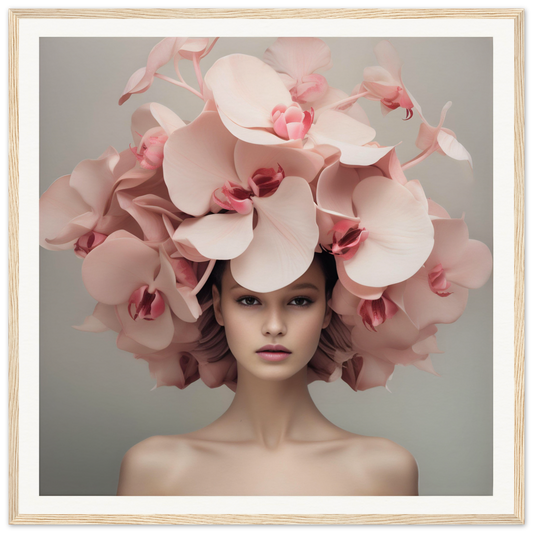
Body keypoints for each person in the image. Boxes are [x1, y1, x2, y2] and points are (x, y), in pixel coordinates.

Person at [116, 253, 419, 496]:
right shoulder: (154, 468)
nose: (274, 326)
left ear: (328, 310)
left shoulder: (385, 470)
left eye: (299, 301)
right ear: (219, 307)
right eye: (249, 300)